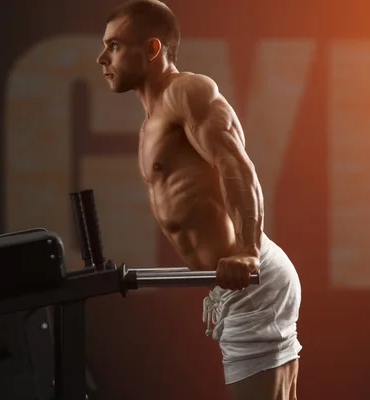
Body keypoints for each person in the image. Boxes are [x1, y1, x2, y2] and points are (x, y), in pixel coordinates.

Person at [96, 1, 302, 398]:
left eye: (115, 45)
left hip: (253, 281)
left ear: (153, 49)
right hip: (235, 286)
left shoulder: (186, 92)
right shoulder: (152, 119)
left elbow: (237, 167)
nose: (102, 57)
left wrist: (246, 251)